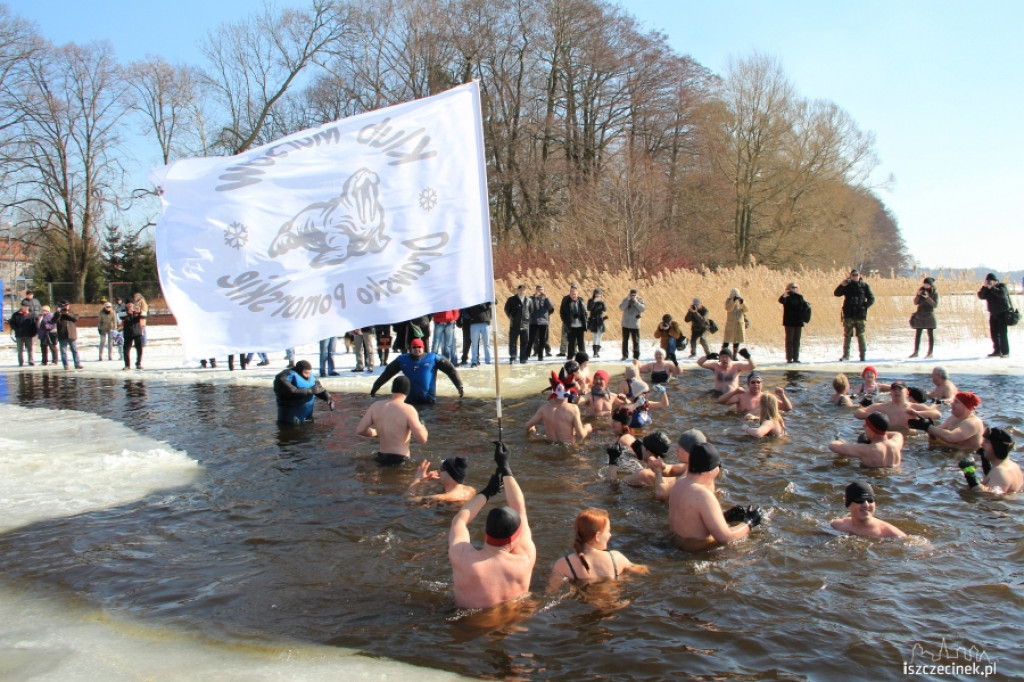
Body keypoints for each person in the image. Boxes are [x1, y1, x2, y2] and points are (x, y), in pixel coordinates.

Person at [449, 444, 536, 610]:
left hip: (469, 623)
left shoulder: (462, 557)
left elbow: (460, 520)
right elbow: (520, 510)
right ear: (515, 537)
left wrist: (488, 492)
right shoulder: (525, 558)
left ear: (486, 533)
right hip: (515, 622)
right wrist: (505, 468)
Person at [668, 443, 762, 551]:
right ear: (710, 472)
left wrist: (725, 516)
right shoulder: (703, 495)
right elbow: (726, 538)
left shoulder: (678, 484)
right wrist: (749, 522)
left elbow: (691, 520)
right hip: (697, 552)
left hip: (674, 545)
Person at [549, 508, 649, 588]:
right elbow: (643, 571)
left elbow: (551, 590)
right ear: (597, 536)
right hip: (613, 603)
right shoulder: (616, 558)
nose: (610, 535)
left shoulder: (563, 564)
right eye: (608, 531)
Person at [357, 376, 428, 465]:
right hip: (400, 460)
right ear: (407, 391)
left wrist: (376, 432)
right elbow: (422, 439)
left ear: (392, 389)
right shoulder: (408, 409)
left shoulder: (375, 406)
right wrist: (423, 425)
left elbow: (360, 430)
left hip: (381, 458)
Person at [370, 337, 464, 404]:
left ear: (423, 348)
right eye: (414, 347)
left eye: (419, 347)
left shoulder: (434, 358)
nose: (417, 349)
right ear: (410, 348)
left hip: (428, 401)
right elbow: (387, 373)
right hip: (409, 401)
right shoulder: (402, 359)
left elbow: (451, 370)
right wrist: (376, 386)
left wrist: (459, 386)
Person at [525, 372, 592, 443]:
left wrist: (531, 428)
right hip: (567, 446)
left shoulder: (544, 409)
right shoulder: (573, 409)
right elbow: (581, 435)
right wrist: (587, 429)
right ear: (568, 392)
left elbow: (527, 426)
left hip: (549, 445)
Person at [910, 391, 985, 452]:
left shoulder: (973, 422)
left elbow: (951, 437)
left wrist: (928, 427)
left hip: (965, 458)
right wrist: (926, 426)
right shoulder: (952, 419)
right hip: (949, 453)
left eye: (956, 402)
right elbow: (937, 433)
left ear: (965, 406)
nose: (951, 404)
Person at [853, 380, 941, 430]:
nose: (896, 391)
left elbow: (937, 414)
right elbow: (857, 413)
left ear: (906, 392)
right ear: (890, 392)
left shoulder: (913, 407)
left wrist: (918, 413)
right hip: (890, 437)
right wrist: (872, 415)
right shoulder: (882, 407)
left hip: (909, 440)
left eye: (899, 389)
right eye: (894, 389)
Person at [957, 427, 1022, 494]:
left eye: (986, 442)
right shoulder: (1015, 466)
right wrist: (986, 463)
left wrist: (970, 474)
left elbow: (987, 495)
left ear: (997, 447)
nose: (982, 444)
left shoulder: (999, 472)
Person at [830, 482, 907, 538]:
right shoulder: (836, 525)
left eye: (870, 500)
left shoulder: (891, 534)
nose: (866, 505)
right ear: (848, 504)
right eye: (860, 500)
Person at [828, 412, 903, 468]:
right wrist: (882, 432)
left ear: (872, 429)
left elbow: (833, 446)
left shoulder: (867, 449)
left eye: (866, 425)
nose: (863, 426)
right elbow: (897, 434)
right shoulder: (896, 443)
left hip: (873, 480)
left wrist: (840, 441)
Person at [273, 359, 334, 425]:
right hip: (290, 419)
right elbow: (292, 391)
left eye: (309, 373)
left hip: (307, 417)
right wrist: (310, 391)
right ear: (299, 370)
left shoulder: (310, 376)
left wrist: (327, 397)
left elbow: (318, 388)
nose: (308, 376)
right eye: (306, 373)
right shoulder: (284, 377)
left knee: (309, 428)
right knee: (293, 430)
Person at [834, 268, 875, 362]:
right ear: (850, 276)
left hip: (860, 315)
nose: (855, 277)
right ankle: (846, 355)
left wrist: (865, 306)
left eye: (857, 275)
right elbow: (836, 294)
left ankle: (863, 356)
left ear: (859, 276)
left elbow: (872, 298)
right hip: (848, 315)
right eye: (853, 275)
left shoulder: (864, 286)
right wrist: (842, 285)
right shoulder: (847, 285)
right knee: (847, 335)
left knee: (861, 335)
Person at [719, 371, 792, 417]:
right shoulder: (741, 396)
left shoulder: (767, 397)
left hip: (761, 423)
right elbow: (721, 401)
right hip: (745, 424)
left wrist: (782, 395)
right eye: (753, 382)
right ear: (748, 384)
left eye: (758, 382)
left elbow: (787, 408)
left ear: (762, 384)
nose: (756, 384)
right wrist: (734, 392)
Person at [407, 456, 476, 503]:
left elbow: (408, 500)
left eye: (442, 469)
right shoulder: (471, 490)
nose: (438, 471)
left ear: (451, 475)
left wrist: (417, 480)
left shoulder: (441, 498)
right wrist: (436, 480)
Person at [978, 272, 1012, 357]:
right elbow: (981, 296)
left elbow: (1002, 294)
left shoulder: (1002, 286)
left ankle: (1005, 352)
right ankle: (997, 350)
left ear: (996, 281)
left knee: (1003, 333)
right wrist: (984, 287)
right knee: (994, 334)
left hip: (1002, 313)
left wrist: (992, 288)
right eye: (988, 281)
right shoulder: (987, 289)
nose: (989, 283)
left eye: (990, 281)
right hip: (993, 314)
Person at [778, 282, 809, 363]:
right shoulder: (787, 296)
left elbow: (804, 306)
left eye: (796, 287)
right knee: (789, 340)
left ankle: (796, 358)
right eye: (793, 287)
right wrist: (784, 295)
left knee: (797, 340)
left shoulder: (799, 297)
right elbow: (781, 301)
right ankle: (789, 358)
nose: (794, 289)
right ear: (789, 288)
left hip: (798, 321)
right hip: (789, 321)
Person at [503, 285, 533, 365]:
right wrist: (512, 317)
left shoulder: (529, 300)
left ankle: (523, 358)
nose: (521, 291)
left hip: (525, 325)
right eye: (520, 290)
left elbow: (531, 310)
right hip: (514, 325)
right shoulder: (511, 299)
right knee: (513, 342)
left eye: (523, 290)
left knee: (525, 343)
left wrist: (526, 318)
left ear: (525, 291)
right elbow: (506, 309)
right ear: (517, 290)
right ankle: (513, 358)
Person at [909, 277, 938, 358]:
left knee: (930, 334)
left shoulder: (934, 293)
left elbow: (935, 305)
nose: (925, 286)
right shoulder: (921, 290)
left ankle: (930, 353)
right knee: (918, 334)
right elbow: (915, 302)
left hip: (929, 315)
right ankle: (916, 352)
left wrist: (927, 298)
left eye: (927, 284)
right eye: (925, 284)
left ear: (931, 285)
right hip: (920, 315)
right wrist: (918, 295)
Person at [559, 283, 588, 360]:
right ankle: (570, 357)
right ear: (570, 294)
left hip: (580, 325)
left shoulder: (581, 301)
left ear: (577, 294)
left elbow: (585, 312)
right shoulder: (567, 302)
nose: (573, 295)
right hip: (571, 326)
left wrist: (584, 318)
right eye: (572, 294)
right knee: (571, 342)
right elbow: (562, 313)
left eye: (575, 294)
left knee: (581, 342)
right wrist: (566, 321)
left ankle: (583, 357)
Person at [52, 301, 83, 370]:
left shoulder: (71, 312)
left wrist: (68, 314)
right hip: (62, 335)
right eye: (65, 305)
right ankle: (66, 365)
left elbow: (76, 318)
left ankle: (77, 364)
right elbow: (53, 321)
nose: (66, 307)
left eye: (67, 305)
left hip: (71, 334)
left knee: (74, 350)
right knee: (63, 351)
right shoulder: (58, 314)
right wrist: (58, 313)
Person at [528, 285, 555, 361]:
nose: (540, 291)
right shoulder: (531, 298)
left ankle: (546, 351)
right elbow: (528, 307)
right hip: (534, 321)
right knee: (534, 338)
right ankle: (535, 351)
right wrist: (535, 298)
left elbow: (551, 308)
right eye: (539, 289)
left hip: (543, 322)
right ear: (536, 290)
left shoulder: (546, 299)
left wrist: (547, 298)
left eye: (541, 290)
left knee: (544, 338)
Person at [619, 288, 646, 361]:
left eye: (634, 295)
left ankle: (636, 356)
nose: (632, 296)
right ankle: (625, 355)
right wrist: (628, 300)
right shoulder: (626, 300)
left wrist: (635, 301)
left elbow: (643, 309)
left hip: (635, 324)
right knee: (625, 340)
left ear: (637, 295)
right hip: (626, 324)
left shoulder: (640, 300)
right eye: (631, 295)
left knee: (636, 341)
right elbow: (621, 308)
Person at [9, 301, 38, 367]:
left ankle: (31, 361)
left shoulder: (32, 315)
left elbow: (35, 325)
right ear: (21, 306)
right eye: (24, 306)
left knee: (30, 349)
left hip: (29, 335)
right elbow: (12, 324)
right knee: (20, 350)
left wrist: (34, 333)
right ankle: (21, 362)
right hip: (19, 335)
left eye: (26, 306)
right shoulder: (16, 315)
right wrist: (17, 329)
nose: (25, 308)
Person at [464, 301, 493, 367]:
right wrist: (469, 317)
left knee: (486, 343)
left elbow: (495, 301)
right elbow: (464, 310)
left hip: (485, 323)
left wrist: (488, 317)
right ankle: (474, 361)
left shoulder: (486, 298)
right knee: (474, 344)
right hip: (474, 323)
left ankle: (488, 360)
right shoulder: (471, 299)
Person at [721, 288, 748, 357]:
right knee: (727, 340)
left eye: (736, 294)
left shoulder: (741, 301)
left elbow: (746, 310)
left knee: (737, 340)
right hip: (731, 323)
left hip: (739, 323)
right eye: (733, 294)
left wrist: (742, 303)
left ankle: (734, 355)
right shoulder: (728, 300)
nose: (735, 295)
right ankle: (723, 355)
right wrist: (733, 301)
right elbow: (728, 309)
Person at [120, 301, 145, 370]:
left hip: (137, 333)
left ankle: (138, 363)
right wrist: (128, 313)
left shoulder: (136, 311)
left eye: (131, 304)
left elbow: (144, 316)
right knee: (126, 350)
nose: (130, 306)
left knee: (139, 349)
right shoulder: (123, 311)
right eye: (128, 305)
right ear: (126, 305)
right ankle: (127, 365)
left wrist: (139, 312)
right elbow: (121, 317)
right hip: (128, 333)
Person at [586, 288, 608, 358]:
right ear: (594, 295)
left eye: (599, 295)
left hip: (601, 320)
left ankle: (598, 350)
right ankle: (595, 352)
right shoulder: (591, 300)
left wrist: (602, 302)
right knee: (595, 336)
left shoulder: (602, 301)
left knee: (600, 335)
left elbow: (605, 309)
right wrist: (594, 302)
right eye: (596, 295)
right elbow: (589, 308)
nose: (598, 296)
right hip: (594, 320)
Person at [20, 290, 42, 357]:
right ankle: (29, 346)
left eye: (31, 294)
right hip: (29, 319)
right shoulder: (24, 302)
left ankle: (39, 345)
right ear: (26, 295)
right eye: (28, 294)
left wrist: (40, 316)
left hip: (37, 318)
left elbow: (40, 309)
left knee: (39, 332)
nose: (30, 296)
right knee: (30, 333)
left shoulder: (36, 301)